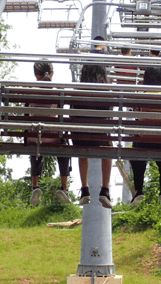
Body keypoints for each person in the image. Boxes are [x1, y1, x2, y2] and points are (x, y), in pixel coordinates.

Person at [27, 61, 71, 205]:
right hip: (54, 138)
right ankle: (64, 187)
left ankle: (35, 186)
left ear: (35, 75)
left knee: (36, 144)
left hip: (34, 137)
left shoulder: (30, 90)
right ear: (52, 73)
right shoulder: (57, 91)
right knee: (63, 146)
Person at [130, 67, 161, 207]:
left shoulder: (141, 94)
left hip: (144, 139)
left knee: (137, 156)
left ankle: (138, 189)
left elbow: (136, 115)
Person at [72, 63, 114, 208]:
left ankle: (84, 188)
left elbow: (72, 114)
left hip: (81, 138)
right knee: (108, 148)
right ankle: (105, 188)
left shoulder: (77, 91)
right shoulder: (107, 91)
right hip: (101, 137)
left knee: (82, 147)